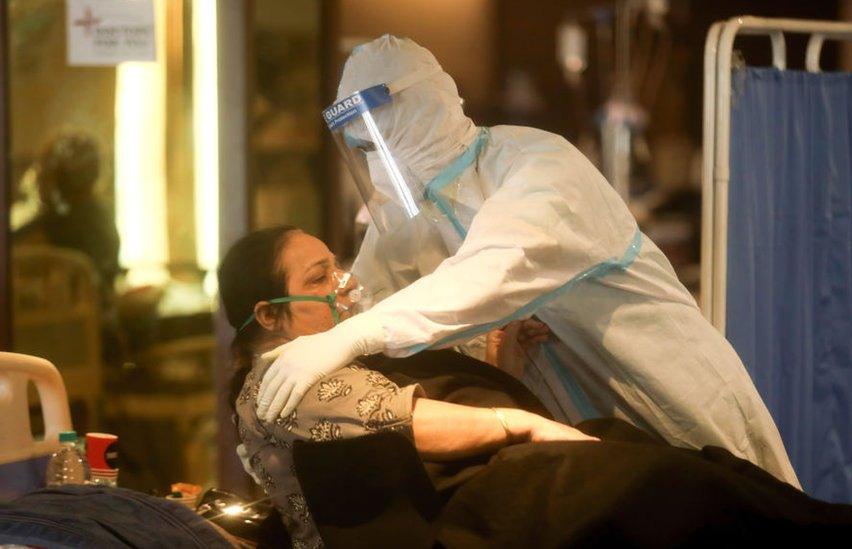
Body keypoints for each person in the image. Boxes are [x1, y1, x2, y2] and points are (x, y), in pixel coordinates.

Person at [254, 35, 799, 488]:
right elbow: (369, 293)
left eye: (379, 141)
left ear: (420, 111)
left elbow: (492, 270)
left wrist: (354, 336)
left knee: (741, 505)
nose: (376, 165)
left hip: (664, 384)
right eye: (363, 150)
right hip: (575, 422)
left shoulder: (539, 165)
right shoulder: (417, 209)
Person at [220, 228, 852, 548]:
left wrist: (501, 362)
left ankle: (849, 524)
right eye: (319, 277)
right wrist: (523, 424)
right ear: (269, 313)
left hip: (466, 496)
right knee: (667, 487)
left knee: (684, 468)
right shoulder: (282, 382)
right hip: (442, 528)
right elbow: (415, 423)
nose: (342, 282)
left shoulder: (308, 361)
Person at [14, 132, 121, 311]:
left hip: (51, 328)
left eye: (42, 169)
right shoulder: (101, 217)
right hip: (99, 326)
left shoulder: (50, 227)